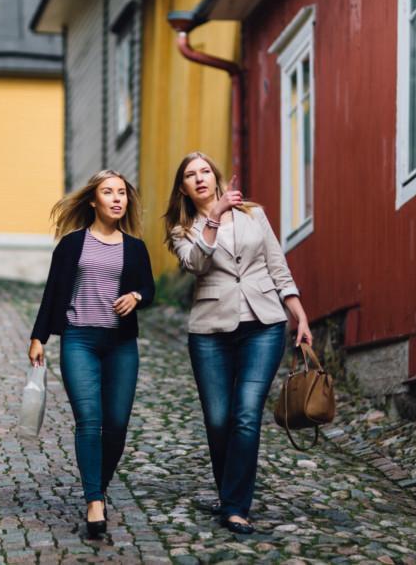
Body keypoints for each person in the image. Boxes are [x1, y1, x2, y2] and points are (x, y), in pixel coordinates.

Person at [164, 152, 313, 535]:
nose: (199, 179)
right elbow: (196, 264)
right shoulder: (182, 229)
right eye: (190, 176)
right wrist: (212, 217)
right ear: (183, 188)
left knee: (246, 415)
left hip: (263, 324)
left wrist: (298, 312)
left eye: (204, 172)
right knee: (218, 419)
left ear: (215, 177)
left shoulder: (253, 214)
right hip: (210, 331)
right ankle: (228, 490)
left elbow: (276, 263)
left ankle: (234, 506)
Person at [28, 170, 155, 538]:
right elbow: (52, 292)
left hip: (120, 345)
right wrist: (39, 337)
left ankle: (96, 482)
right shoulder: (71, 245)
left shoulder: (135, 247)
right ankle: (94, 502)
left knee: (116, 425)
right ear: (93, 201)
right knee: (89, 419)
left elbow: (148, 287)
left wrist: (137, 297)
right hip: (79, 340)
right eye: (108, 192)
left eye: (122, 193)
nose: (117, 199)